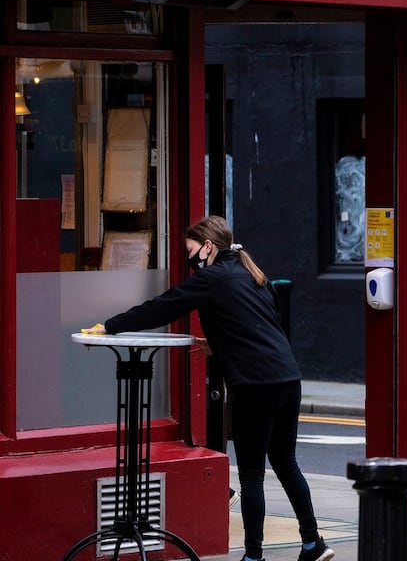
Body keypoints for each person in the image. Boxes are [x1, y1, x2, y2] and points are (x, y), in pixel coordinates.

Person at [83, 216, 334, 561]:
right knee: (286, 463)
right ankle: (313, 543)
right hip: (287, 379)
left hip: (254, 385)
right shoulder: (252, 274)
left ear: (208, 247)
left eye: (191, 250)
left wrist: (110, 326)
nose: (191, 259)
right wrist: (217, 345)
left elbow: (162, 306)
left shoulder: (212, 278)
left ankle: (254, 556)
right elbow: (259, 328)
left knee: (251, 475)